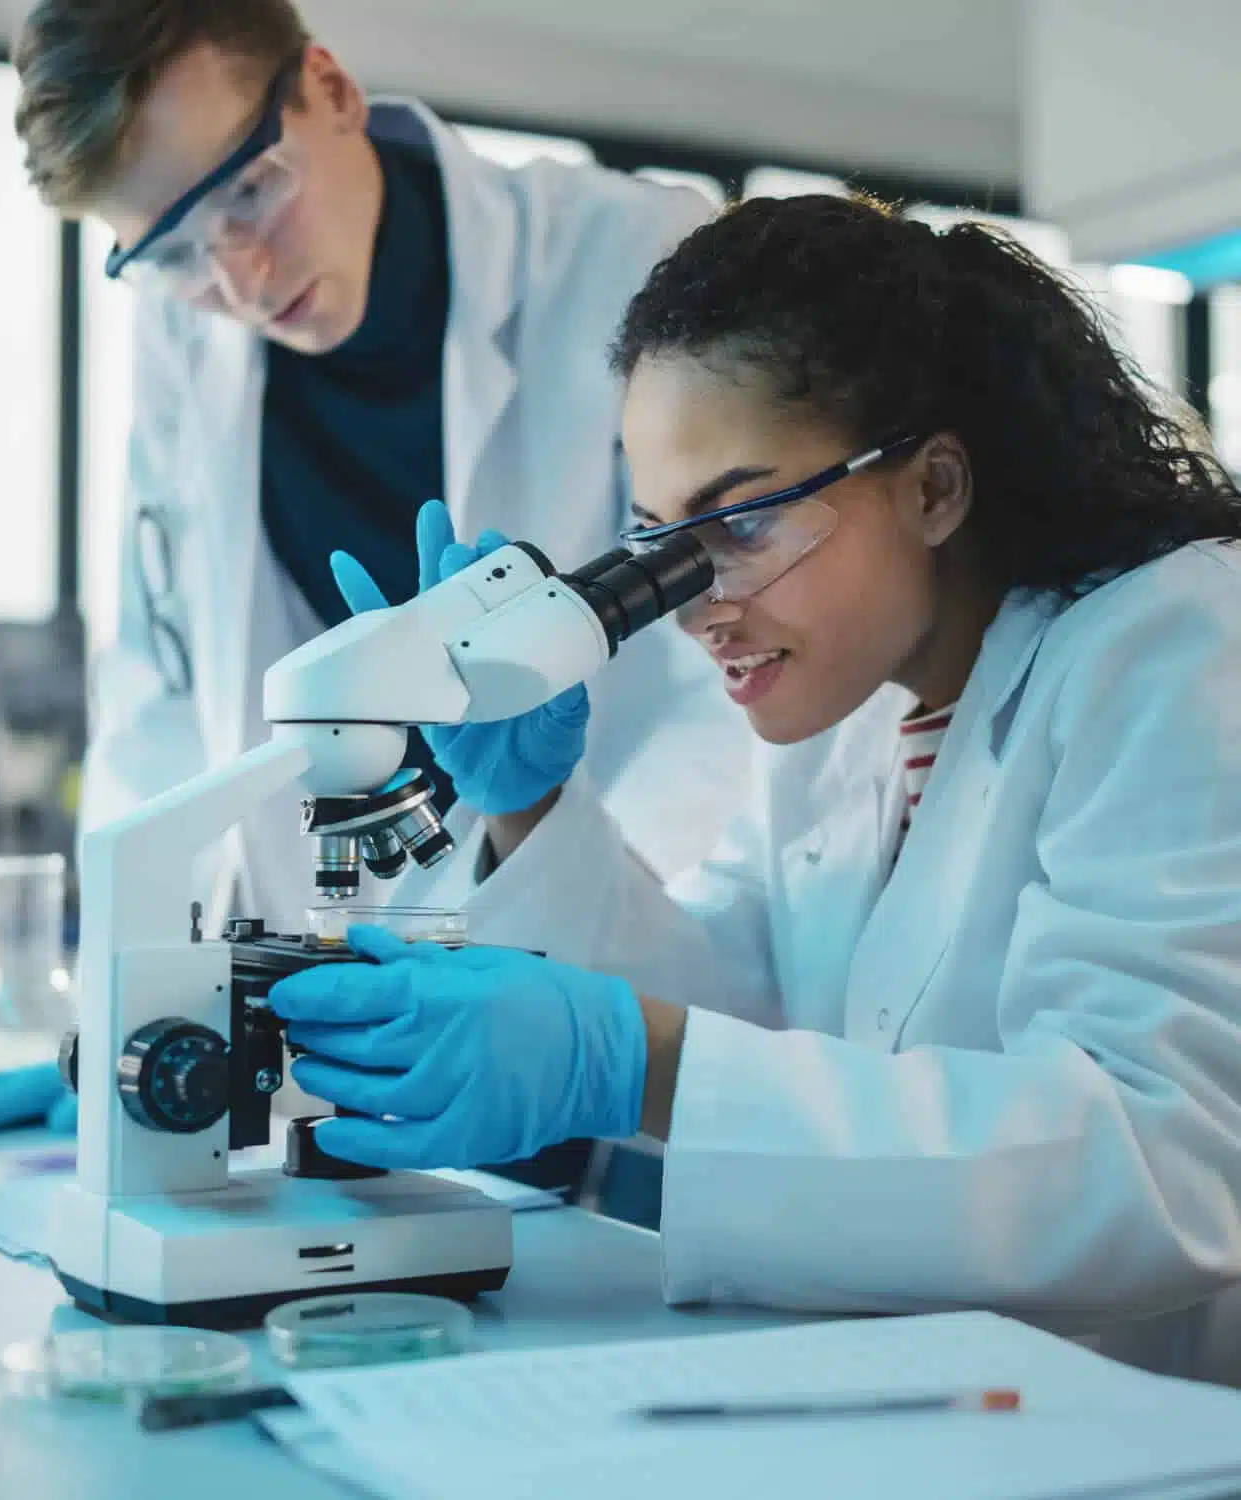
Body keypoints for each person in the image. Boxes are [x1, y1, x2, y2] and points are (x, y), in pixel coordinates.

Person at [266, 194, 1241, 1378]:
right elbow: (727, 991)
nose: (694, 605)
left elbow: (1155, 1162)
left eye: (735, 523)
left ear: (932, 488)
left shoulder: (1173, 641)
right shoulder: (849, 721)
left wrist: (628, 1058)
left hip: (1148, 1425)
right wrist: (528, 808)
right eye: (659, 542)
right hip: (919, 1401)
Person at [0, 0, 739, 1144]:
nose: (236, 276)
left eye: (249, 191)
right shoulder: (187, 335)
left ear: (330, 91)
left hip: (623, 962)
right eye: (170, 251)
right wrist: (134, 1011)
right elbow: (160, 694)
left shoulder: (627, 261)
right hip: (343, 996)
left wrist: (545, 936)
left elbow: (722, 694)